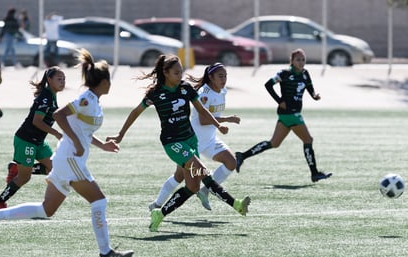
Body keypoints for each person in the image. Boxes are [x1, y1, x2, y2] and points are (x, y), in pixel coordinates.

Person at [0, 49, 133, 257]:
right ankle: (106, 252)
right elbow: (59, 116)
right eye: (109, 79)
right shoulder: (87, 99)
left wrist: (101, 145)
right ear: (104, 81)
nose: (110, 83)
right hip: (70, 159)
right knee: (99, 200)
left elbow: (83, 132)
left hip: (65, 159)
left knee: (46, 210)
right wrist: (76, 142)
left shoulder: (93, 100)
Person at [107, 55, 250, 232]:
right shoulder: (156, 93)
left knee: (192, 186)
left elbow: (202, 110)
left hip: (190, 139)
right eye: (176, 72)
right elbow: (136, 112)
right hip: (172, 142)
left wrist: (218, 124)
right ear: (165, 73)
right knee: (202, 171)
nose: (180, 75)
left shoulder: (186, 88)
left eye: (181, 71)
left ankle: (160, 213)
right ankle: (236, 204)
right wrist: (120, 135)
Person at [148, 63, 240, 211]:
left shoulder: (223, 91)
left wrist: (220, 123)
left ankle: (205, 191)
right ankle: (157, 205)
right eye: (220, 76)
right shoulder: (204, 93)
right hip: (193, 141)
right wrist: (226, 120)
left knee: (231, 162)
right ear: (210, 77)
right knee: (179, 176)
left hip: (210, 140)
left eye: (225, 76)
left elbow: (212, 116)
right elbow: (203, 120)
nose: (224, 79)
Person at [235, 48, 332, 183]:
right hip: (291, 114)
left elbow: (309, 86)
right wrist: (279, 101)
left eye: (303, 59)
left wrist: (314, 95)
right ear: (291, 61)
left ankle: (242, 156)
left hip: (288, 115)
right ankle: (314, 173)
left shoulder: (305, 73)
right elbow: (268, 85)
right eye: (298, 60)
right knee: (308, 140)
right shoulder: (284, 73)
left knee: (274, 143)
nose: (301, 62)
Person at [0, 66, 65, 209]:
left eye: (64, 79)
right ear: (49, 80)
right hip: (26, 140)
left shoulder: (51, 95)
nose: (62, 82)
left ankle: (16, 168)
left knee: (55, 167)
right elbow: (36, 121)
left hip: (37, 142)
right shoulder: (46, 97)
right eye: (59, 79)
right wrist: (56, 133)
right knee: (24, 177)